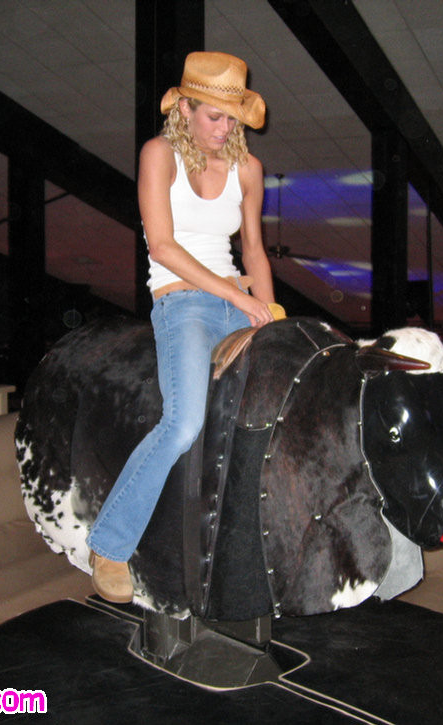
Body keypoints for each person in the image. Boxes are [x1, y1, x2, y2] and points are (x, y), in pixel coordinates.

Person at [86, 51, 278, 602]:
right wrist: (230, 291)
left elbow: (256, 253)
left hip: (236, 301)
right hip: (184, 304)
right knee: (184, 423)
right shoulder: (159, 155)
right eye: (214, 116)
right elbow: (163, 246)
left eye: (232, 118)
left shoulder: (248, 169)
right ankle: (111, 543)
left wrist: (266, 316)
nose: (225, 129)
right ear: (186, 110)